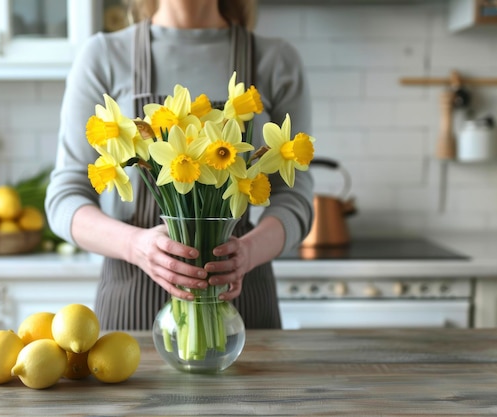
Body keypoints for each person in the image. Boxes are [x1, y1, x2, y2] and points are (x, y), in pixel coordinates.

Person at [45, 0, 314, 330]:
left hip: (243, 310)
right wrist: (136, 246)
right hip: (131, 313)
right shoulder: (103, 55)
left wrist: (248, 252)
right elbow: (64, 198)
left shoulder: (275, 60)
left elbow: (295, 198)